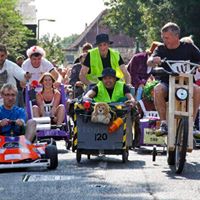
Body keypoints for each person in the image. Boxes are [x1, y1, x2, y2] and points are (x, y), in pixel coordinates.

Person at [147, 22, 200, 135]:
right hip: (167, 83)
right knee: (158, 89)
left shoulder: (188, 47)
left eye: (166, 37)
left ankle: (192, 124)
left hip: (187, 83)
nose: (164, 39)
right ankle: (164, 124)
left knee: (197, 90)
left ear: (176, 36)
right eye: (163, 37)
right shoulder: (160, 48)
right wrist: (153, 61)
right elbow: (149, 61)